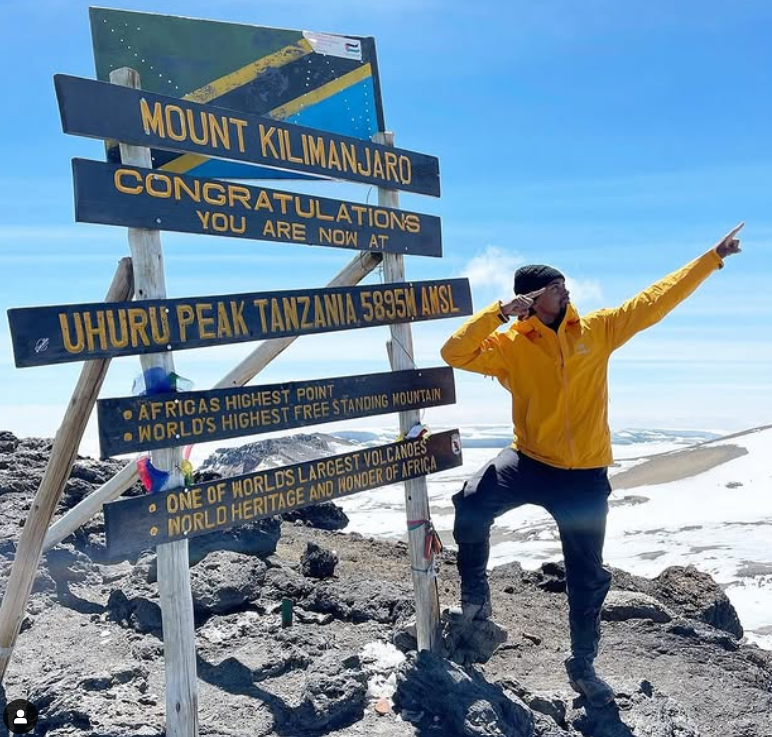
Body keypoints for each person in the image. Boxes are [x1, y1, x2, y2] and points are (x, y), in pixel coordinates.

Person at [440, 224, 744, 707]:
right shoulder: (511, 345)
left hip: (583, 478)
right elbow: (453, 352)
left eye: (564, 283)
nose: (567, 290)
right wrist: (498, 314)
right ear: (533, 297)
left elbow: (653, 302)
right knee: (472, 503)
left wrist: (711, 258)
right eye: (556, 286)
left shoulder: (597, 329)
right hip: (529, 460)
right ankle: (475, 593)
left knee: (586, 576)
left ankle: (582, 664)